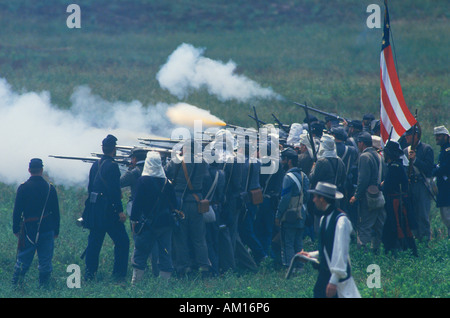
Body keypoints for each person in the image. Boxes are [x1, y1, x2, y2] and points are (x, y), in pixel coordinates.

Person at [300, 182, 360, 298]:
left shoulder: (341, 221)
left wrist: (333, 280)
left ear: (322, 199)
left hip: (336, 279)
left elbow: (341, 251)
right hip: (324, 276)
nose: (313, 200)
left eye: (315, 197)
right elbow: (329, 248)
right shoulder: (324, 218)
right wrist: (310, 255)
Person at [83, 134, 130, 281]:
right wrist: (120, 211)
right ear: (114, 150)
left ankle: (89, 275)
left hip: (95, 210)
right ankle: (119, 275)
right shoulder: (113, 166)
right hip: (108, 212)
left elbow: (90, 188)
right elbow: (115, 191)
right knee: (123, 242)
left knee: (94, 244)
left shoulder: (95, 164)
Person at [165, 139, 211, 277]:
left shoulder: (176, 161)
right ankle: (204, 266)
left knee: (181, 238)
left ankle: (184, 268)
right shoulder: (203, 163)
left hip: (181, 203)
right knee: (199, 238)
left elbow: (165, 174)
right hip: (197, 202)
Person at [130, 151, 177, 284]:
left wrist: (134, 220)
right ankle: (164, 285)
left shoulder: (142, 181)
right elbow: (175, 203)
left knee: (140, 252)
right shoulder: (167, 183)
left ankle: (136, 282)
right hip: (165, 223)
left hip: (147, 223)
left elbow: (137, 203)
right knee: (165, 252)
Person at [12, 158, 60, 287]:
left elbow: (17, 211)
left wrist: (16, 229)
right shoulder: (50, 188)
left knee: (23, 259)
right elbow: (56, 212)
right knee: (45, 260)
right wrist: (56, 230)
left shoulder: (23, 188)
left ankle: (16, 285)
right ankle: (43, 287)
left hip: (28, 229)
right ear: (42, 170)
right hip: (47, 228)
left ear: (29, 170)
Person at [350, 132, 386, 253]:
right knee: (378, 224)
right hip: (378, 195)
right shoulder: (378, 155)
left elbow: (363, 180)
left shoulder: (364, 157)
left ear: (361, 143)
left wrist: (356, 196)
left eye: (358, 142)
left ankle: (362, 251)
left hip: (367, 197)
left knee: (364, 224)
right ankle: (379, 249)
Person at [275, 148, 310, 271]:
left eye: (283, 159)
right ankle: (300, 267)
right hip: (301, 213)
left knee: (288, 242)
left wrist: (278, 215)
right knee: (298, 241)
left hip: (289, 215)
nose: (282, 162)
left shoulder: (287, 177)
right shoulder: (303, 176)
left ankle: (290, 268)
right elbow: (307, 196)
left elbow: (285, 198)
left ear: (289, 161)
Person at [381, 141, 417, 256]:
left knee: (400, 226)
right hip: (395, 201)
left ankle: (407, 251)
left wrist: (382, 185)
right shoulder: (396, 165)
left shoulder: (394, 167)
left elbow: (387, 187)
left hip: (396, 202)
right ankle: (391, 251)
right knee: (391, 229)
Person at [403, 126, 435, 243]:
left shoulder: (427, 149)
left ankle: (425, 242)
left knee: (422, 215)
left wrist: (415, 160)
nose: (406, 137)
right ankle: (414, 241)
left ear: (415, 136)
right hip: (410, 186)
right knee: (411, 214)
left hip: (422, 185)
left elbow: (429, 169)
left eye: (409, 135)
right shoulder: (405, 151)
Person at [433, 125, 450, 238]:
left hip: (447, 189)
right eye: (436, 136)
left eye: (439, 135)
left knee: (447, 217)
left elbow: (445, 168)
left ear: (445, 136)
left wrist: (434, 170)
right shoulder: (444, 150)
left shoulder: (448, 150)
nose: (436, 138)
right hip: (444, 190)